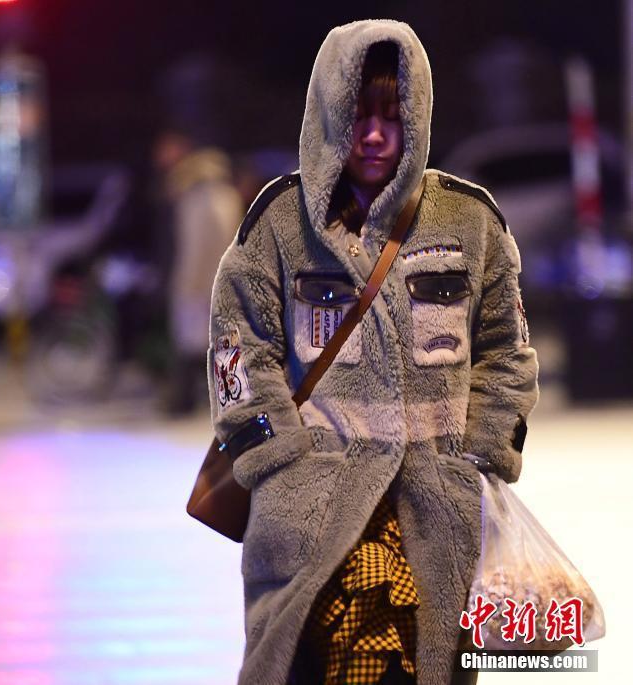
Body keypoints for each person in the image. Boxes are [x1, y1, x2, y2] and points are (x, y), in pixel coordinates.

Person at [206, 20, 539, 685]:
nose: (376, 135)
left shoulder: (469, 221)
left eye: (393, 115)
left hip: (435, 509)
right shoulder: (278, 224)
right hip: (318, 512)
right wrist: (282, 467)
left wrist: (481, 456)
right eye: (359, 115)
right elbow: (236, 349)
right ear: (329, 113)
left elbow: (507, 352)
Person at [153, 128, 243, 415]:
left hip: (201, 284)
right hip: (223, 281)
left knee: (195, 343)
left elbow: (196, 247)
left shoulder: (199, 197)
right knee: (223, 341)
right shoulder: (225, 193)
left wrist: (187, 284)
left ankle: (186, 401)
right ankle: (232, 402)